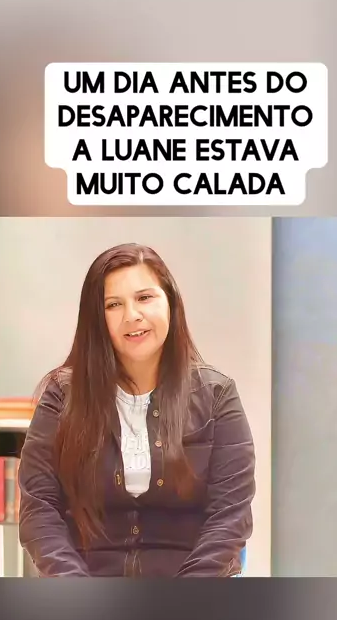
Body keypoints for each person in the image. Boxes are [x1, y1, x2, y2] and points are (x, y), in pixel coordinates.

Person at [18, 243, 256, 577]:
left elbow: (230, 516)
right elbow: (39, 510)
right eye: (113, 304)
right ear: (96, 318)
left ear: (170, 302)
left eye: (144, 298)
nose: (132, 315)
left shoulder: (217, 395)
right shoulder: (62, 396)